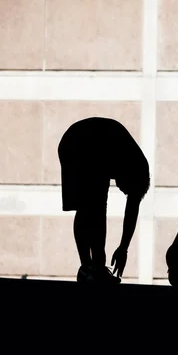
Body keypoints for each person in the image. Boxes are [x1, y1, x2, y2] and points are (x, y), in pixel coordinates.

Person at [58, 117, 150, 284]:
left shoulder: (132, 168)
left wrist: (124, 248)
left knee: (85, 207)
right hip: (80, 144)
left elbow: (131, 209)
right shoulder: (118, 158)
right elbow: (100, 214)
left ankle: (88, 267)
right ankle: (91, 268)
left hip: (72, 142)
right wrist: (101, 262)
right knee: (90, 207)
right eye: (125, 190)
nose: (122, 191)